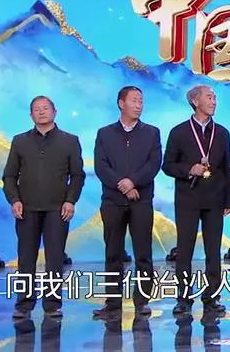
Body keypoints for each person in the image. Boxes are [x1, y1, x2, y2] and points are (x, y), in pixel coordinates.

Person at [2, 95, 85, 319]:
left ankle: (52, 304)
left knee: (55, 258)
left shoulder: (69, 141)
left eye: (45, 108)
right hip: (26, 209)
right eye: (36, 109)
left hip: (57, 209)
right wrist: (14, 199)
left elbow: (77, 175)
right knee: (26, 257)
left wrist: (70, 200)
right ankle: (24, 304)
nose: (41, 112)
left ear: (54, 112)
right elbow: (9, 175)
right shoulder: (20, 141)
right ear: (31, 115)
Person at [162, 85, 230, 315]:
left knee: (214, 251)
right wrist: (189, 169)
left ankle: (212, 297)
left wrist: (229, 200)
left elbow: (227, 168)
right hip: (188, 198)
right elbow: (167, 165)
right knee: (185, 250)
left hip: (215, 198)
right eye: (209, 97)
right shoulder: (179, 132)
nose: (214, 101)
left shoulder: (222, 133)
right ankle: (183, 298)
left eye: (215, 98)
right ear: (195, 101)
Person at [92, 86, 162, 319]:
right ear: (121, 103)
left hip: (141, 201)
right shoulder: (105, 133)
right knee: (113, 254)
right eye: (134, 100)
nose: (138, 105)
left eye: (141, 101)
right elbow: (101, 166)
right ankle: (112, 303)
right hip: (112, 201)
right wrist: (121, 184)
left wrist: (133, 182)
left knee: (143, 253)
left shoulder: (151, 133)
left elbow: (153, 164)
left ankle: (142, 301)